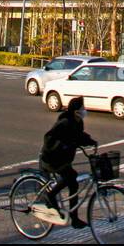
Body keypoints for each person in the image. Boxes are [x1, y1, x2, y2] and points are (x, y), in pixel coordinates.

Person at [38, 96, 96, 228]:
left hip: (63, 158)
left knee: (73, 184)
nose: (84, 110)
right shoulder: (65, 122)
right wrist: (63, 145)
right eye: (82, 108)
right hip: (52, 158)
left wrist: (90, 141)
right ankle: (50, 195)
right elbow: (48, 139)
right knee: (71, 177)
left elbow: (79, 135)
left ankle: (74, 218)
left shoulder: (78, 121)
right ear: (76, 110)